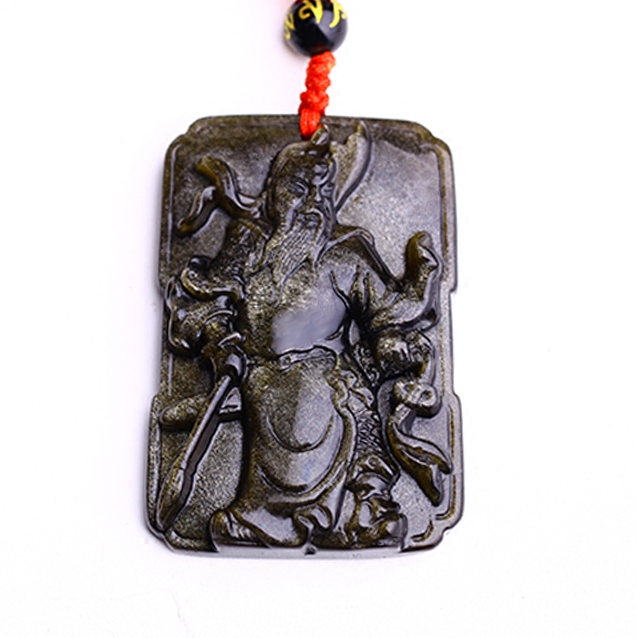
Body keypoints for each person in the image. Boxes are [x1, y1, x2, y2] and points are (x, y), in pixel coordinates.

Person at [159, 125, 450, 550]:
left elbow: (387, 312)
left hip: (331, 378)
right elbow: (210, 299)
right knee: (273, 419)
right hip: (261, 380)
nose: (311, 204)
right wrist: (221, 341)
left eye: (321, 193)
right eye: (299, 190)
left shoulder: (347, 252)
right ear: (274, 193)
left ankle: (365, 508)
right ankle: (261, 518)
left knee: (349, 409)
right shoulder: (249, 244)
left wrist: (413, 295)